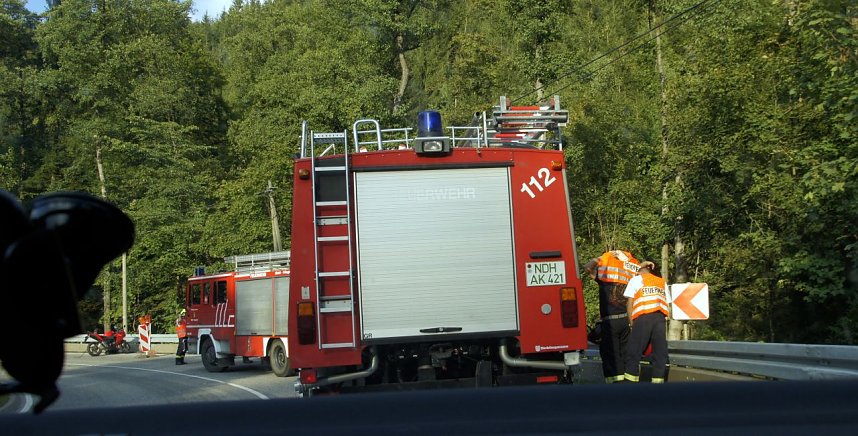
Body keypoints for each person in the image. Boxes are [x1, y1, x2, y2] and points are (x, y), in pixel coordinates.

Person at [583, 249, 640, 383]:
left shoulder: (604, 280)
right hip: (626, 320)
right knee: (626, 353)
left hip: (610, 322)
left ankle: (615, 385)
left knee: (611, 355)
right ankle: (630, 384)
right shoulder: (629, 281)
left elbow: (587, 267)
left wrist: (601, 258)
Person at [622, 261, 671, 383]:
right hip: (660, 319)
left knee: (634, 350)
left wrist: (631, 323)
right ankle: (658, 382)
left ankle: (630, 382)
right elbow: (668, 303)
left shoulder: (636, 280)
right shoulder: (661, 281)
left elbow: (629, 303)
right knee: (659, 352)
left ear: (641, 270)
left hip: (643, 317)